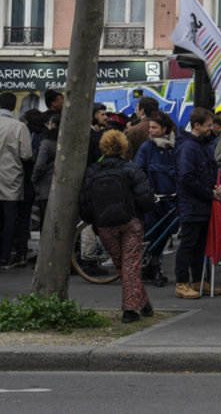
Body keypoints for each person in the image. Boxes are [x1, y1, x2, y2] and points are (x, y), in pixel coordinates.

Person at [79, 130, 155, 322]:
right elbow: (145, 199)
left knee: (124, 266)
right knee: (131, 265)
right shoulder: (131, 169)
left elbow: (85, 202)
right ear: (124, 147)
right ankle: (130, 310)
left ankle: (143, 304)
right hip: (129, 222)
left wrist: (95, 222)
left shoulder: (93, 171)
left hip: (105, 225)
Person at [174, 108, 219, 299]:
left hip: (199, 203)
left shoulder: (200, 146)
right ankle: (182, 283)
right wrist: (209, 192)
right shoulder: (190, 147)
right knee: (188, 244)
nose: (211, 129)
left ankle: (199, 281)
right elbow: (186, 177)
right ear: (197, 125)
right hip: (192, 204)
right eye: (208, 125)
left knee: (199, 245)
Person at [133, 114, 178, 286]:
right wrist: (148, 192)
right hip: (155, 199)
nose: (150, 131)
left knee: (167, 232)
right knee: (154, 233)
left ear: (165, 129)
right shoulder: (147, 148)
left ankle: (152, 265)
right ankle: (153, 266)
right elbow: (139, 172)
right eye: (150, 127)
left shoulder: (175, 147)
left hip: (172, 199)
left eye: (154, 128)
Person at [0, 92, 32, 268]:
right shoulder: (19, 127)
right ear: (13, 106)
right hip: (11, 177)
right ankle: (6, 255)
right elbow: (26, 154)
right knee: (10, 219)